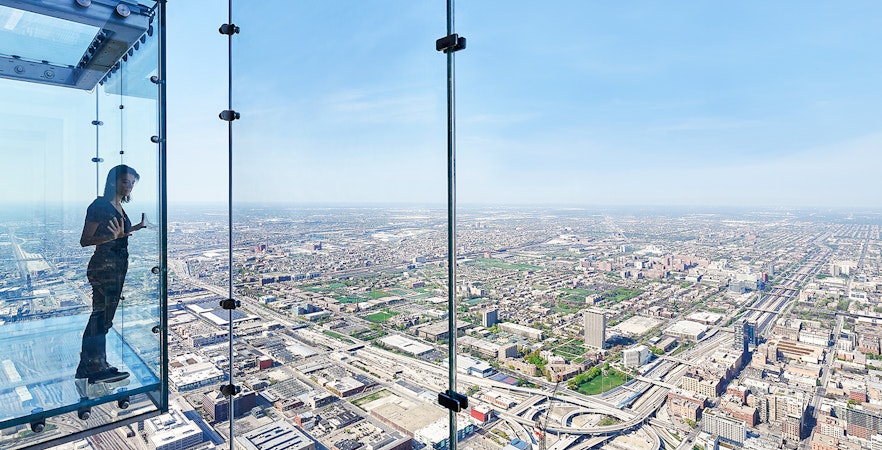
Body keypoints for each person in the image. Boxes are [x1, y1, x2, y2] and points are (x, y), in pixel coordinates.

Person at [76, 165, 146, 383]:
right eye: (126, 181)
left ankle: (93, 364)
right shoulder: (100, 205)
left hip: (116, 265)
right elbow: (85, 240)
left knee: (104, 318)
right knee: (101, 318)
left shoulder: (117, 205)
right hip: (104, 266)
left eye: (133, 183)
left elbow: (117, 234)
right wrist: (111, 238)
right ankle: (94, 368)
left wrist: (134, 228)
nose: (130, 186)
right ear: (113, 181)